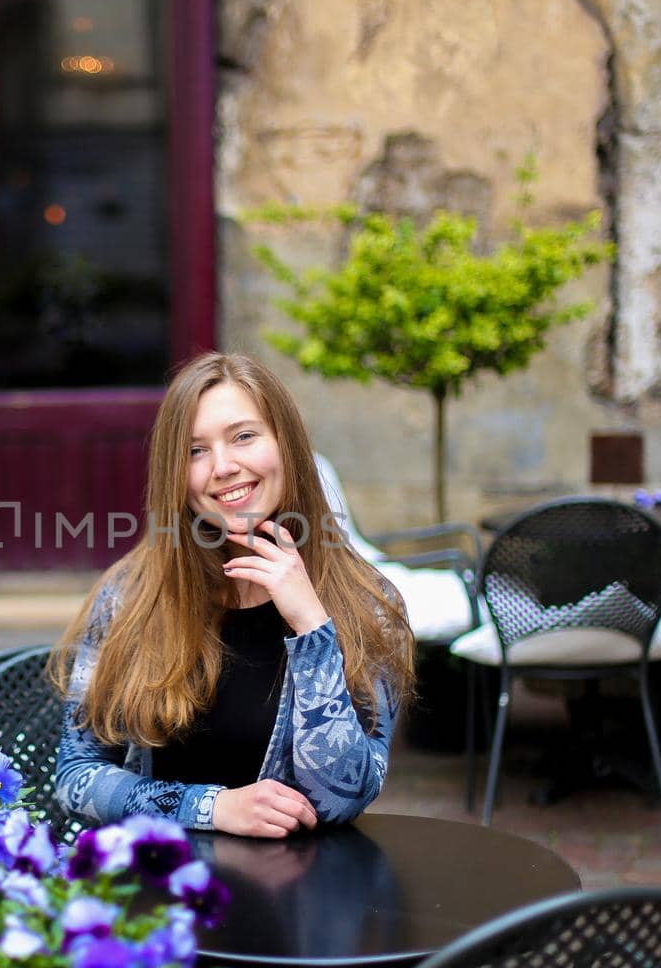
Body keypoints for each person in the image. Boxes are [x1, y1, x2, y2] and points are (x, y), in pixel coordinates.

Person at [52, 352, 415, 837]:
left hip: (308, 894)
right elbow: (76, 776)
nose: (223, 466)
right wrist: (210, 808)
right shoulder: (132, 594)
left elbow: (340, 799)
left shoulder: (368, 604)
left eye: (244, 436)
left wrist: (312, 627)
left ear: (286, 444)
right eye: (194, 451)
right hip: (168, 889)